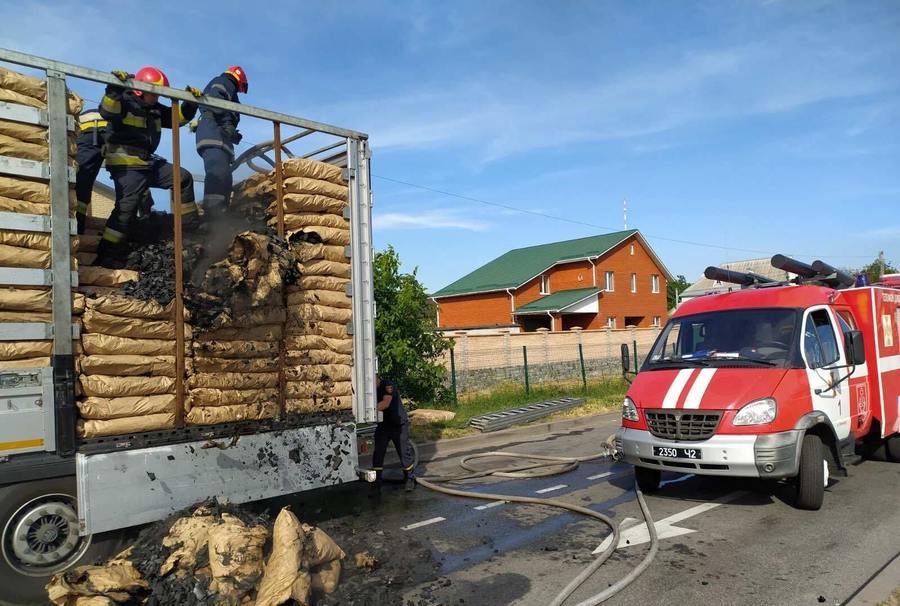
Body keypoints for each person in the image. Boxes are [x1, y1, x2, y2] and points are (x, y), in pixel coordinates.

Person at [95, 66, 201, 268]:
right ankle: (107, 253)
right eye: (154, 94)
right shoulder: (123, 101)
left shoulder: (155, 109)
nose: (157, 98)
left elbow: (177, 118)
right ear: (139, 90)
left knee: (183, 178)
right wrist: (114, 89)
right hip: (125, 162)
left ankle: (190, 229)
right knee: (127, 206)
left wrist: (189, 104)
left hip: (147, 162)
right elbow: (107, 111)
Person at [195, 66, 247, 216]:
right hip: (213, 134)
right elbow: (215, 104)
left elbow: (225, 115)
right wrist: (227, 125)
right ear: (240, 81)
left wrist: (231, 133)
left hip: (218, 137)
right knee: (217, 175)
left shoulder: (227, 86)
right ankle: (212, 217)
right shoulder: (225, 82)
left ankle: (222, 215)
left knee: (225, 177)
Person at [371, 375, 416, 495]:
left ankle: (410, 479)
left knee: (403, 452)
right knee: (378, 454)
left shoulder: (387, 385)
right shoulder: (370, 390)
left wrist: (368, 410)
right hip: (383, 426)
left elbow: (385, 403)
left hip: (398, 425)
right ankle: (376, 483)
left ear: (377, 378)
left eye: (372, 380)